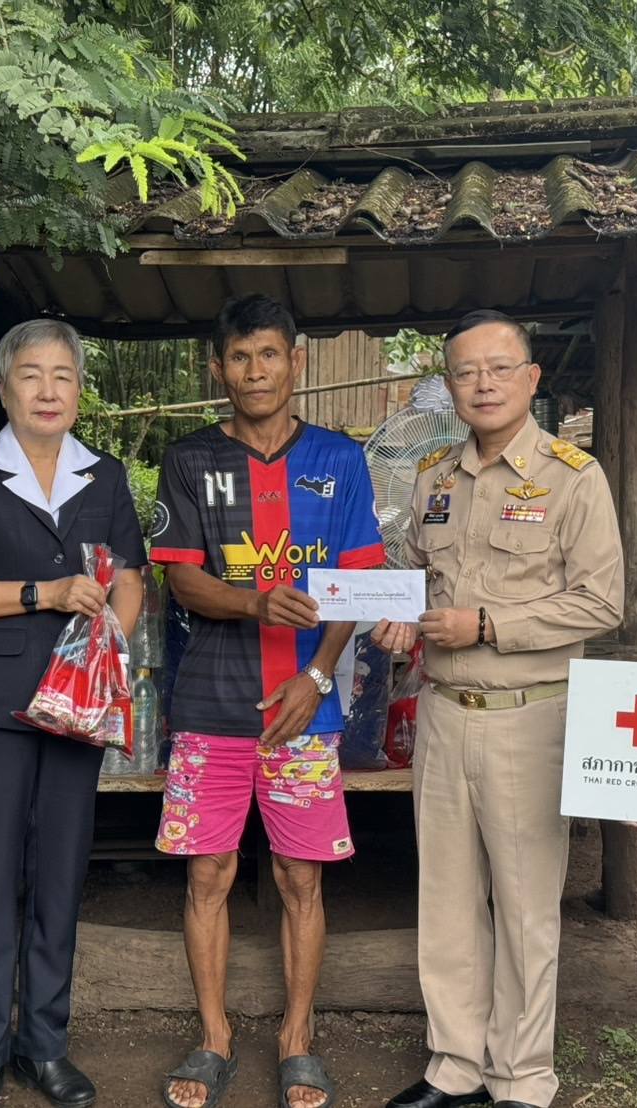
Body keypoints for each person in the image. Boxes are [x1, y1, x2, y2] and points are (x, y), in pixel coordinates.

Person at [373, 309, 624, 1108]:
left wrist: (487, 625)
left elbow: (601, 602)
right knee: (444, 901)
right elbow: (415, 581)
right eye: (465, 371)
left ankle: (522, 1077)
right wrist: (393, 617)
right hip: (444, 710)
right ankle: (455, 1066)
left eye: (497, 367)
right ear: (449, 385)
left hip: (532, 713)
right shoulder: (433, 479)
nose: (481, 383)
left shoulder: (571, 475)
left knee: (523, 906)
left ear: (530, 378)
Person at [151, 294, 385, 1108]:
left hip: (306, 714)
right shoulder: (187, 460)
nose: (255, 371)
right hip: (211, 707)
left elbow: (358, 581)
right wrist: (254, 602)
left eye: (269, 355)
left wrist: (318, 675)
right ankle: (213, 1036)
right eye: (239, 357)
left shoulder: (341, 458)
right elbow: (180, 577)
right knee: (208, 873)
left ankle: (296, 1039)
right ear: (217, 370)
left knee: (299, 878)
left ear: (297, 363)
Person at [0, 319, 145, 1108]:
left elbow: (130, 577)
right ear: (4, 387)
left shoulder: (106, 476)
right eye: (31, 375)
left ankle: (43, 1046)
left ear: (80, 390)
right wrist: (41, 595)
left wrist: (112, 636)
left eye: (63, 376)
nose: (48, 390)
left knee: (58, 874)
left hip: (78, 707)